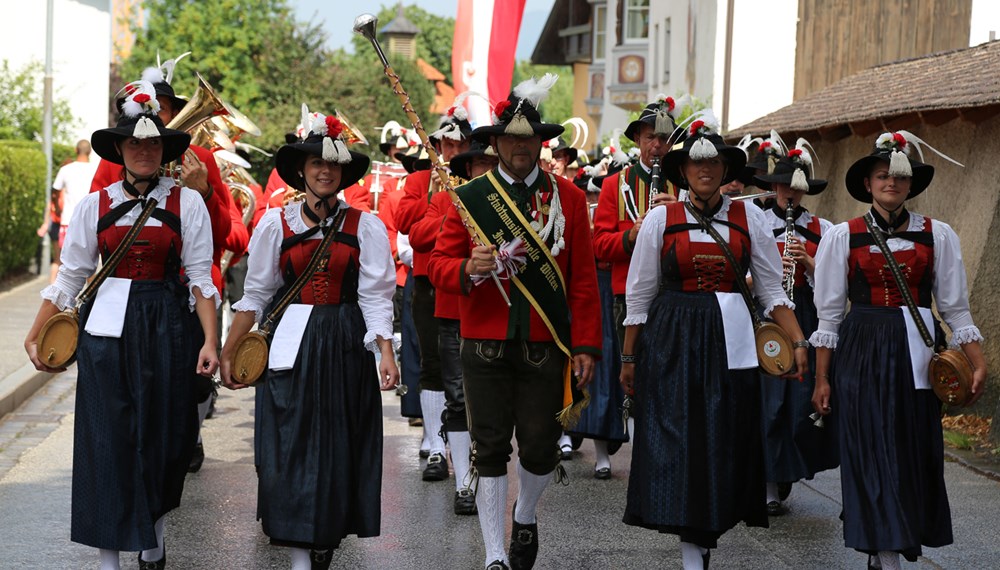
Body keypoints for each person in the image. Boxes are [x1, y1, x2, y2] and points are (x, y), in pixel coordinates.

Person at [24, 80, 219, 570]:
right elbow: (70, 276)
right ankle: (110, 559)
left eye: (153, 142)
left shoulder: (187, 203)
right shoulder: (94, 205)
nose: (144, 150)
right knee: (105, 440)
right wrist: (36, 330)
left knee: (165, 438)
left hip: (168, 328)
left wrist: (211, 341)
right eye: (135, 142)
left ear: (163, 148)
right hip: (105, 333)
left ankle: (153, 536)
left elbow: (200, 277)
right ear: (120, 148)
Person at [619, 113, 808, 570]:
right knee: (678, 440)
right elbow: (640, 292)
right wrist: (629, 355)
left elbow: (770, 291)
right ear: (682, 171)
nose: (705, 171)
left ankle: (706, 536)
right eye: (696, 164)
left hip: (731, 342)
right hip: (672, 339)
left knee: (721, 439)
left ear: (726, 171)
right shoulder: (661, 219)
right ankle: (692, 551)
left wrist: (798, 341)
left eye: (715, 163)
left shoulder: (750, 219)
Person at [428, 74, 602, 570]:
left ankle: (524, 516)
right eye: (510, 138)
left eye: (528, 138)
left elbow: (583, 278)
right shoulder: (470, 198)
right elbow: (439, 266)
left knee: (541, 447)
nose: (519, 146)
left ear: (539, 143)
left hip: (545, 342)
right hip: (483, 343)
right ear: (497, 143)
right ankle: (495, 552)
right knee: (489, 448)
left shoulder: (567, 199)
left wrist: (587, 344)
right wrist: (468, 268)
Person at [220, 107, 399, 570]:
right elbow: (256, 294)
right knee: (289, 444)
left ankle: (326, 538)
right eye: (317, 164)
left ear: (342, 173)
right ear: (302, 170)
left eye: (333, 165)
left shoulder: (366, 226)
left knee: (340, 444)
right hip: (289, 346)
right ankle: (301, 553)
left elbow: (376, 296)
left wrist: (385, 351)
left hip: (343, 342)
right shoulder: (274, 224)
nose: (325, 171)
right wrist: (228, 351)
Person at [810, 131, 986, 570]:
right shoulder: (842, 237)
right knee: (868, 446)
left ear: (911, 185)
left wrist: (978, 362)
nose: (891, 182)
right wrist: (821, 377)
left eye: (899, 177)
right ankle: (883, 552)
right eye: (882, 175)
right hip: (862, 348)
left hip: (918, 355)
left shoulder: (937, 236)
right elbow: (829, 316)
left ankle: (890, 539)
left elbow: (955, 309)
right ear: (867, 184)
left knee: (908, 448)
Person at [408, 138, 498, 515]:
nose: (483, 170)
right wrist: (452, 218)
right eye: (477, 164)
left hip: (496, 313)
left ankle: (489, 479)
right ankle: (464, 483)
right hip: (453, 310)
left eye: (489, 163)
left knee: (493, 405)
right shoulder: (448, 199)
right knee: (458, 398)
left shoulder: (512, 204)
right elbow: (417, 237)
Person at [589, 96, 680, 467]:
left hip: (672, 292)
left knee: (664, 370)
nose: (656, 145)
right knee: (626, 367)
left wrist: (673, 215)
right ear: (638, 141)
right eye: (649, 138)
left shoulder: (681, 184)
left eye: (663, 139)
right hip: (626, 291)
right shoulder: (616, 184)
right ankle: (609, 445)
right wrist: (634, 235)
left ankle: (654, 448)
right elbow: (599, 245)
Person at [751, 144, 839, 516]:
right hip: (767, 316)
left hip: (806, 312)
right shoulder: (755, 222)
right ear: (773, 186)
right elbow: (744, 275)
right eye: (784, 186)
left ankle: (785, 473)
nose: (791, 193)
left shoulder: (824, 229)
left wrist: (812, 262)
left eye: (797, 188)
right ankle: (768, 483)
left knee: (799, 404)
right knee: (769, 401)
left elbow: (836, 287)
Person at [395, 97, 474, 483]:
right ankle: (434, 446)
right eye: (447, 145)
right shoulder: (418, 180)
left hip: (472, 279)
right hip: (429, 281)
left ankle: (469, 444)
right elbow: (409, 227)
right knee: (432, 365)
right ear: (437, 146)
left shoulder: (477, 178)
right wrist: (441, 201)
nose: (453, 151)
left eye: (461, 146)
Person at [47, 140, 98, 281]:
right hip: (91, 222)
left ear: (76, 150)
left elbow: (55, 191)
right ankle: (90, 298)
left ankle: (55, 299)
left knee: (62, 262)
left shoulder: (66, 170)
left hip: (68, 221)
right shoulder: (96, 170)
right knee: (90, 264)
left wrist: (57, 208)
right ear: (90, 152)